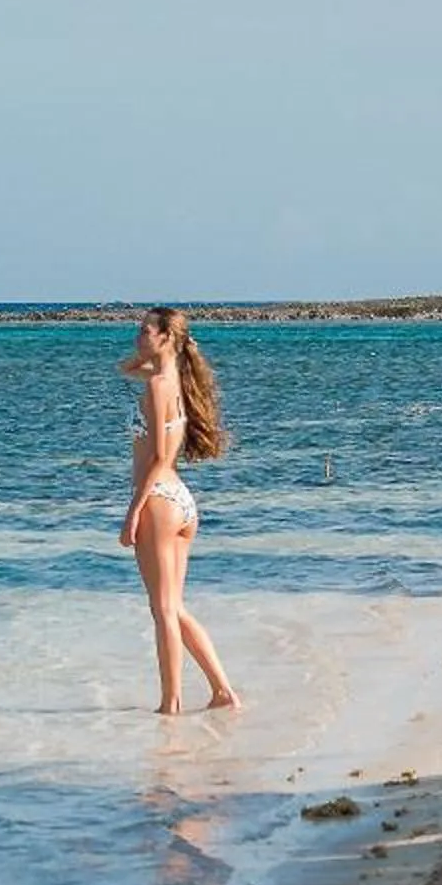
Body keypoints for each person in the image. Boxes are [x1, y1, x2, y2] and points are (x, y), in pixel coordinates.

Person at [117, 306, 242, 716]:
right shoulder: (174, 381)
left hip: (158, 500)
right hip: (181, 503)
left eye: (145, 330)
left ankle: (170, 705)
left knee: (163, 610)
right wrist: (157, 352)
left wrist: (133, 510)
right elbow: (124, 367)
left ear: (166, 337)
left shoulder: (157, 385)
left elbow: (158, 456)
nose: (138, 336)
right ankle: (222, 691)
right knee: (175, 607)